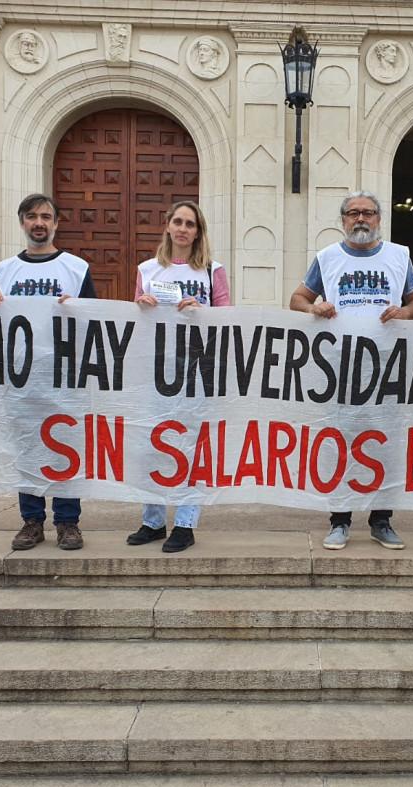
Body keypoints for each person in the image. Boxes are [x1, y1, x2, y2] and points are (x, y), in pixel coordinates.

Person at [290, 190, 413, 551]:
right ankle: (340, 520)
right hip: (341, 367)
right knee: (340, 444)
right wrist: (314, 310)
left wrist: (405, 313)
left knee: (387, 444)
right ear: (343, 221)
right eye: (353, 213)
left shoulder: (399, 256)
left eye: (368, 212)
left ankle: (382, 521)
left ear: (380, 219)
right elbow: (297, 299)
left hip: (388, 366)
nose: (361, 219)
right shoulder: (328, 258)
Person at [0, 194, 95, 551]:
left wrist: (77, 309)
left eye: (46, 217)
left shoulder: (76, 268)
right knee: (27, 448)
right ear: (21, 221)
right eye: (32, 216)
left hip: (63, 374)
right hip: (20, 375)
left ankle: (68, 522)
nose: (39, 222)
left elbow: (95, 323)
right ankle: (31, 520)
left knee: (66, 447)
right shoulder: (5, 271)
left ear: (56, 223)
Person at [126, 200, 231, 553]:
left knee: (193, 446)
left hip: (198, 369)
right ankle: (153, 520)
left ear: (198, 231)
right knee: (151, 443)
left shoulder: (213, 271)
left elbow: (228, 321)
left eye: (191, 223)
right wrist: (141, 305)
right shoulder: (148, 270)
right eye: (178, 222)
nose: (183, 228)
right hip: (157, 367)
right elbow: (135, 323)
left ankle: (185, 524)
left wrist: (204, 312)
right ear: (168, 225)